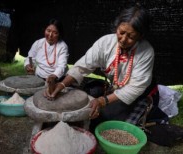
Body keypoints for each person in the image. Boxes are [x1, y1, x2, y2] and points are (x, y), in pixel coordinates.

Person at [45, 3, 162, 132]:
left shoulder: (146, 52)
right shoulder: (106, 42)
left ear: (140, 36)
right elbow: (83, 66)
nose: (123, 39)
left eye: (131, 36)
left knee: (103, 117)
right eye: (121, 32)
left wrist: (102, 101)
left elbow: (135, 88)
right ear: (116, 27)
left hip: (136, 91)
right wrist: (61, 85)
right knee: (84, 96)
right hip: (114, 86)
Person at [24, 19, 69, 86]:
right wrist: (28, 65)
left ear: (59, 34)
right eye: (48, 31)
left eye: (55, 32)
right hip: (39, 78)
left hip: (57, 80)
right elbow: (30, 57)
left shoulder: (63, 46)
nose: (50, 35)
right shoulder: (38, 43)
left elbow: (61, 66)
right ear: (44, 30)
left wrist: (54, 76)